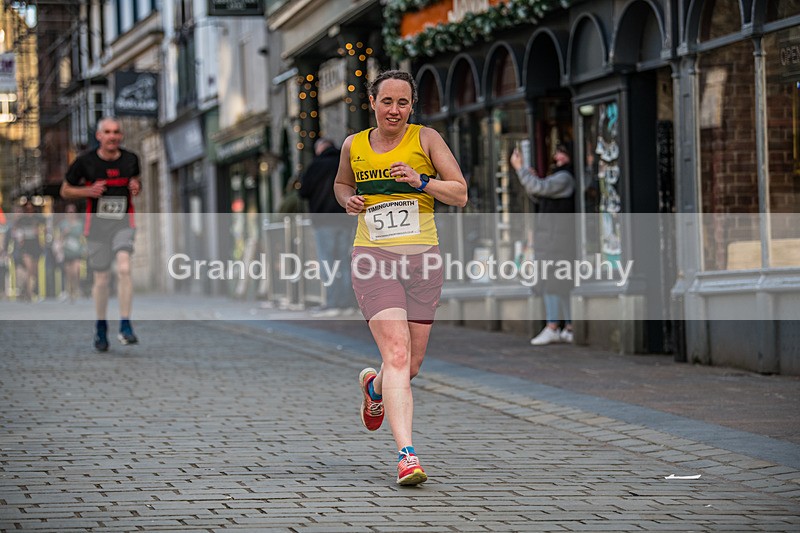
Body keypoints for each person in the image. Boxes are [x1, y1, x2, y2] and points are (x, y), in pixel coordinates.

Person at [334, 70, 467, 485]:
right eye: (387, 101)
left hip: (422, 261)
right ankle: (407, 455)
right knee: (395, 354)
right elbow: (341, 184)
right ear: (371, 102)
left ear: (412, 106)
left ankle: (375, 390)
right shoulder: (353, 145)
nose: (395, 109)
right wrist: (348, 200)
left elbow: (460, 193)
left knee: (409, 366)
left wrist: (421, 181)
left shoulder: (426, 139)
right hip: (373, 258)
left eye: (403, 102)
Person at [60, 117, 142, 352]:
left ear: (121, 136)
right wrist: (88, 190)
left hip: (124, 223)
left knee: (125, 268)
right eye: (107, 132)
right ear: (99, 136)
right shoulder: (85, 162)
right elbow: (65, 190)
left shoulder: (130, 159)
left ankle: (126, 325)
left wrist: (136, 186)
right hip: (96, 228)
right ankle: (101, 325)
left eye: (116, 132)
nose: (112, 136)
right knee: (102, 279)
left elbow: (135, 182)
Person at [510, 143, 576, 345]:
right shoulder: (558, 176)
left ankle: (552, 326)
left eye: (562, 153)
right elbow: (538, 193)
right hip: (553, 239)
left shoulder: (565, 177)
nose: (558, 157)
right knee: (559, 284)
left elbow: (539, 188)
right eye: (557, 153)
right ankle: (569, 327)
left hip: (557, 240)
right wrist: (529, 176)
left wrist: (520, 170)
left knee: (551, 283)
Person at [299, 137, 356, 317]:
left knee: (328, 263)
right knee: (345, 262)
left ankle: (333, 303)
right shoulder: (345, 162)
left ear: (319, 149)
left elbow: (303, 192)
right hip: (345, 219)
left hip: (324, 220)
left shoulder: (315, 166)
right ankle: (347, 303)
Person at [10, 202, 45, 302]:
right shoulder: (22, 220)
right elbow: (15, 231)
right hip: (26, 247)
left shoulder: (39, 219)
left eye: (31, 208)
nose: (29, 209)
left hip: (36, 246)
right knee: (29, 269)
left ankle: (29, 291)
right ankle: (29, 293)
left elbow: (45, 230)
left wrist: (40, 232)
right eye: (27, 208)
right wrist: (20, 236)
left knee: (34, 271)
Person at [56, 203, 85, 302]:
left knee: (76, 271)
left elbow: (84, 237)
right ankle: (69, 291)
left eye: (73, 212)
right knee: (68, 274)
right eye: (69, 212)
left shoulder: (80, 224)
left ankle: (77, 289)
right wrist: (64, 234)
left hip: (77, 251)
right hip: (67, 251)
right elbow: (58, 239)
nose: (71, 213)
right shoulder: (62, 224)